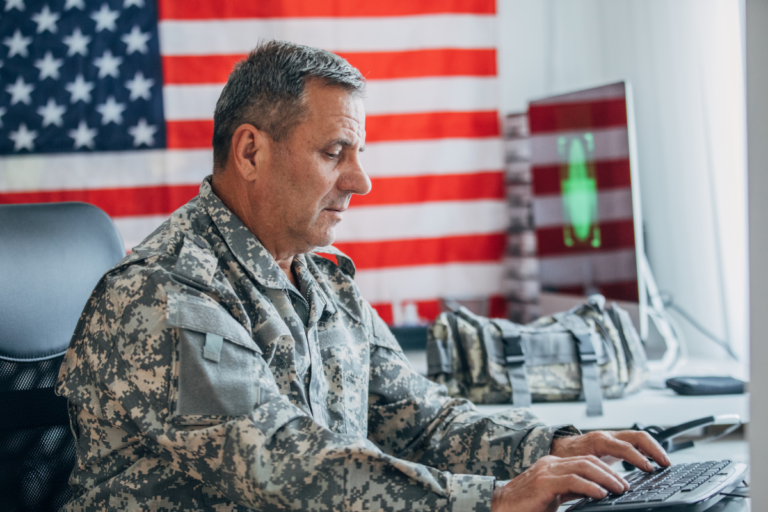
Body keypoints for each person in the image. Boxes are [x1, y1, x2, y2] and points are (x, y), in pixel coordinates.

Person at [56, 40, 669, 512]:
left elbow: (424, 421)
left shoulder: (322, 282)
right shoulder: (163, 294)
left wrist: (554, 447)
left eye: (359, 154)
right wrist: (493, 499)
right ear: (250, 152)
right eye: (333, 153)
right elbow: (287, 466)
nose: (360, 181)